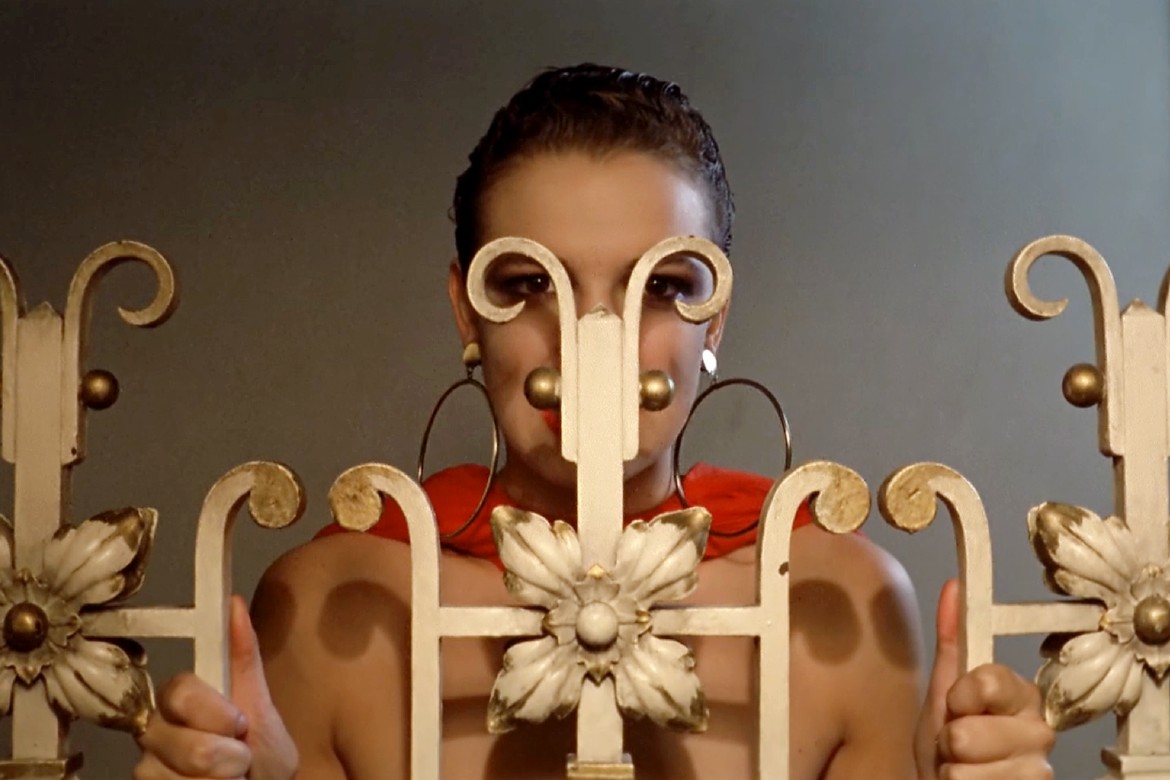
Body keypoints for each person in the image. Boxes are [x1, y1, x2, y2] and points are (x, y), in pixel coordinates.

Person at [134, 64, 1055, 779]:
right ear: (466, 312)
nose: (593, 338)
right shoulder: (337, 605)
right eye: (530, 284)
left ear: (717, 315)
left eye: (664, 285)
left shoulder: (836, 606)